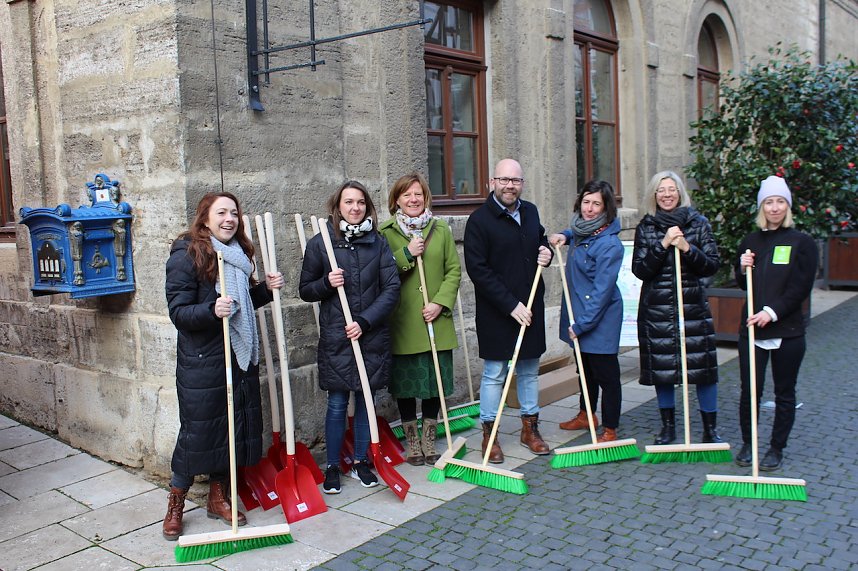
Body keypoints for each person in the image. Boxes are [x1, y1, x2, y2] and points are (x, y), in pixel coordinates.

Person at [163, 192, 284, 541]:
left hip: (238, 356)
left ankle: (219, 497)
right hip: (203, 363)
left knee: (230, 430)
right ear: (205, 218)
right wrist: (210, 310)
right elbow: (179, 312)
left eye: (234, 213)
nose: (229, 218)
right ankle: (175, 503)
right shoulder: (188, 254)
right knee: (196, 435)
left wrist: (265, 291)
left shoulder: (240, 255)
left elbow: (241, 305)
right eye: (221, 213)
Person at [299, 181, 400, 493]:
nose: (355, 208)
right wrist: (327, 283)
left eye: (360, 202)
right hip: (337, 336)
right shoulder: (322, 244)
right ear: (337, 206)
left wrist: (365, 321)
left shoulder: (378, 242)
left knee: (365, 398)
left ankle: (360, 461)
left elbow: (391, 289)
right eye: (348, 202)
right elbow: (305, 290)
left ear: (366, 206)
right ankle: (331, 466)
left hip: (369, 335)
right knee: (338, 401)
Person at [463, 158, 553, 463]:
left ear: (521, 184)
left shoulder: (530, 212)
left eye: (515, 181)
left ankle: (530, 430)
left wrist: (547, 251)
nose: (509, 186)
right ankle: (490, 434)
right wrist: (510, 305)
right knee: (494, 374)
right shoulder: (479, 221)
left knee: (528, 371)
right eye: (504, 180)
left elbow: (540, 239)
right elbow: (478, 269)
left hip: (530, 307)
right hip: (498, 312)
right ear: (492, 183)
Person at [632, 171, 722, 445]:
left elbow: (711, 264)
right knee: (664, 369)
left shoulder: (698, 223)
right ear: (654, 195)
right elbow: (640, 270)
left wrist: (686, 247)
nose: (667, 194)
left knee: (703, 368)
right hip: (657, 311)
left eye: (672, 189)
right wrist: (662, 245)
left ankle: (710, 428)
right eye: (661, 190)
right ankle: (668, 427)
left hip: (692, 306)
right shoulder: (646, 227)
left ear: (680, 193)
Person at [734, 176, 816, 471]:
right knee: (749, 391)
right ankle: (748, 443)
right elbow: (743, 284)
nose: (775, 207)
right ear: (761, 206)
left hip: (787, 331)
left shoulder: (802, 243)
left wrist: (772, 312)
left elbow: (799, 288)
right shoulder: (751, 241)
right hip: (752, 330)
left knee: (784, 392)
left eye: (780, 201)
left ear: (788, 205)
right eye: (769, 201)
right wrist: (742, 268)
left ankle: (776, 448)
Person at [378, 173, 461, 466]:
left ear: (426, 198)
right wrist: (406, 254)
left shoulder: (441, 230)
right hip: (403, 322)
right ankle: (411, 440)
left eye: (419, 195)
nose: (413, 200)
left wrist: (440, 302)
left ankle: (429, 437)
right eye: (407, 195)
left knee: (432, 383)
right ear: (396, 200)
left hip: (435, 320)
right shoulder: (385, 233)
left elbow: (453, 271)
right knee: (406, 385)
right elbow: (380, 273)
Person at [548, 180, 625, 441]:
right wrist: (564, 235)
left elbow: (602, 294)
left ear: (606, 208)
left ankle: (611, 428)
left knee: (606, 374)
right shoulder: (583, 231)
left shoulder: (610, 245)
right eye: (586, 202)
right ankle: (586, 415)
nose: (589, 209)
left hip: (599, 319)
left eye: (596, 204)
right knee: (585, 369)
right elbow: (577, 233)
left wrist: (581, 325)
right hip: (579, 312)